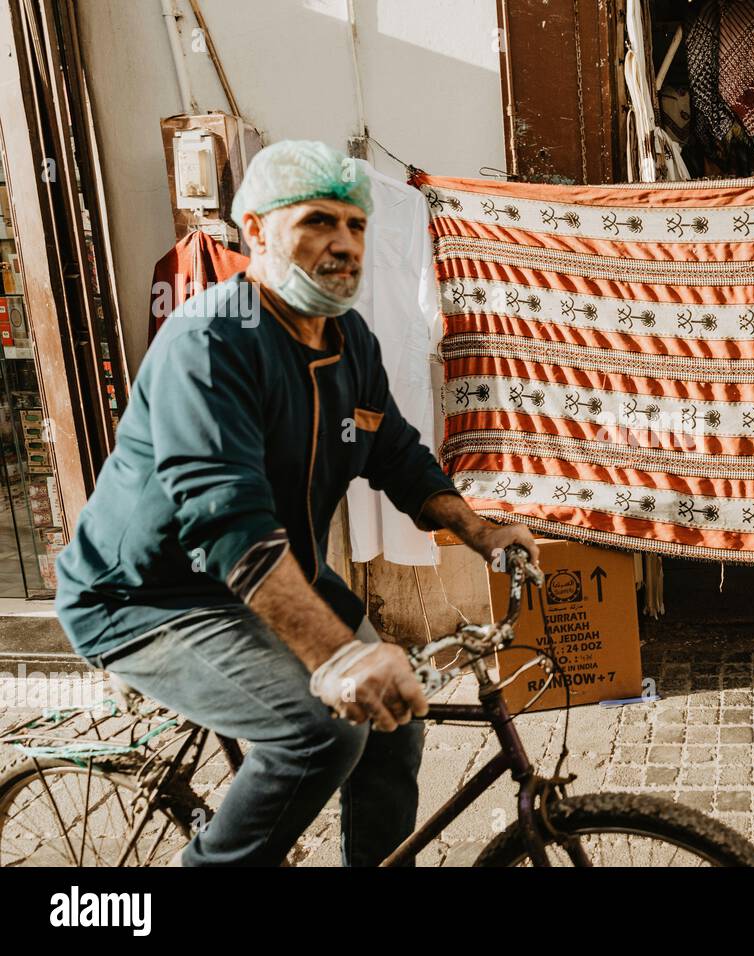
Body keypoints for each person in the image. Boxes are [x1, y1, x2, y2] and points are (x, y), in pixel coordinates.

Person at [55, 140, 538, 866]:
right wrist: (341, 657)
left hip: (281, 573)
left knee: (394, 722)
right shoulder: (210, 340)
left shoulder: (350, 341)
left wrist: (482, 531)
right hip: (152, 596)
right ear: (256, 231)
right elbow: (225, 525)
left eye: (356, 224)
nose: (344, 244)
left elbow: (397, 455)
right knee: (323, 728)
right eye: (318, 222)